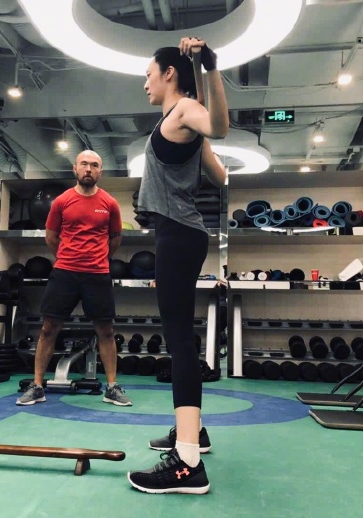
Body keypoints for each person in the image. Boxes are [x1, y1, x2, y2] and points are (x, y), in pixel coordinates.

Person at [126, 37, 228, 494]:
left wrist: (210, 66)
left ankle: (187, 462)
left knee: (179, 341)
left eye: (149, 74)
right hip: (182, 233)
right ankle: (194, 432)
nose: (145, 83)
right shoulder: (182, 120)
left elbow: (219, 127)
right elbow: (221, 175)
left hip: (179, 236)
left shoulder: (184, 110)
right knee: (180, 337)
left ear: (169, 74)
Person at [16, 149, 132, 407]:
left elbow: (115, 239)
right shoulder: (62, 201)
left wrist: (98, 258)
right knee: (48, 328)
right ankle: (37, 386)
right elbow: (51, 237)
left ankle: (112, 388)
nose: (89, 169)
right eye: (84, 164)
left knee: (106, 330)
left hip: (97, 274)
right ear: (75, 169)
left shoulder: (110, 203)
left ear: (100, 171)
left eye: (94, 165)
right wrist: (68, 258)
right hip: (65, 273)